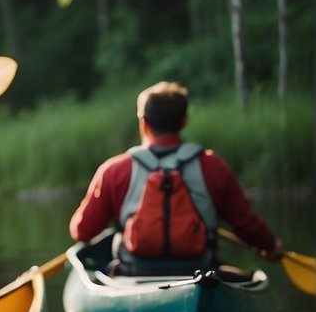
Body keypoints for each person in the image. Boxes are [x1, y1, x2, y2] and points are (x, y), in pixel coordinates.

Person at [69, 80, 284, 276]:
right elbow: (246, 224)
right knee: (236, 274)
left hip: (134, 271)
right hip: (199, 270)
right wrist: (271, 246)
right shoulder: (213, 166)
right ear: (184, 121)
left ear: (144, 123)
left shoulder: (113, 171)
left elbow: (83, 231)